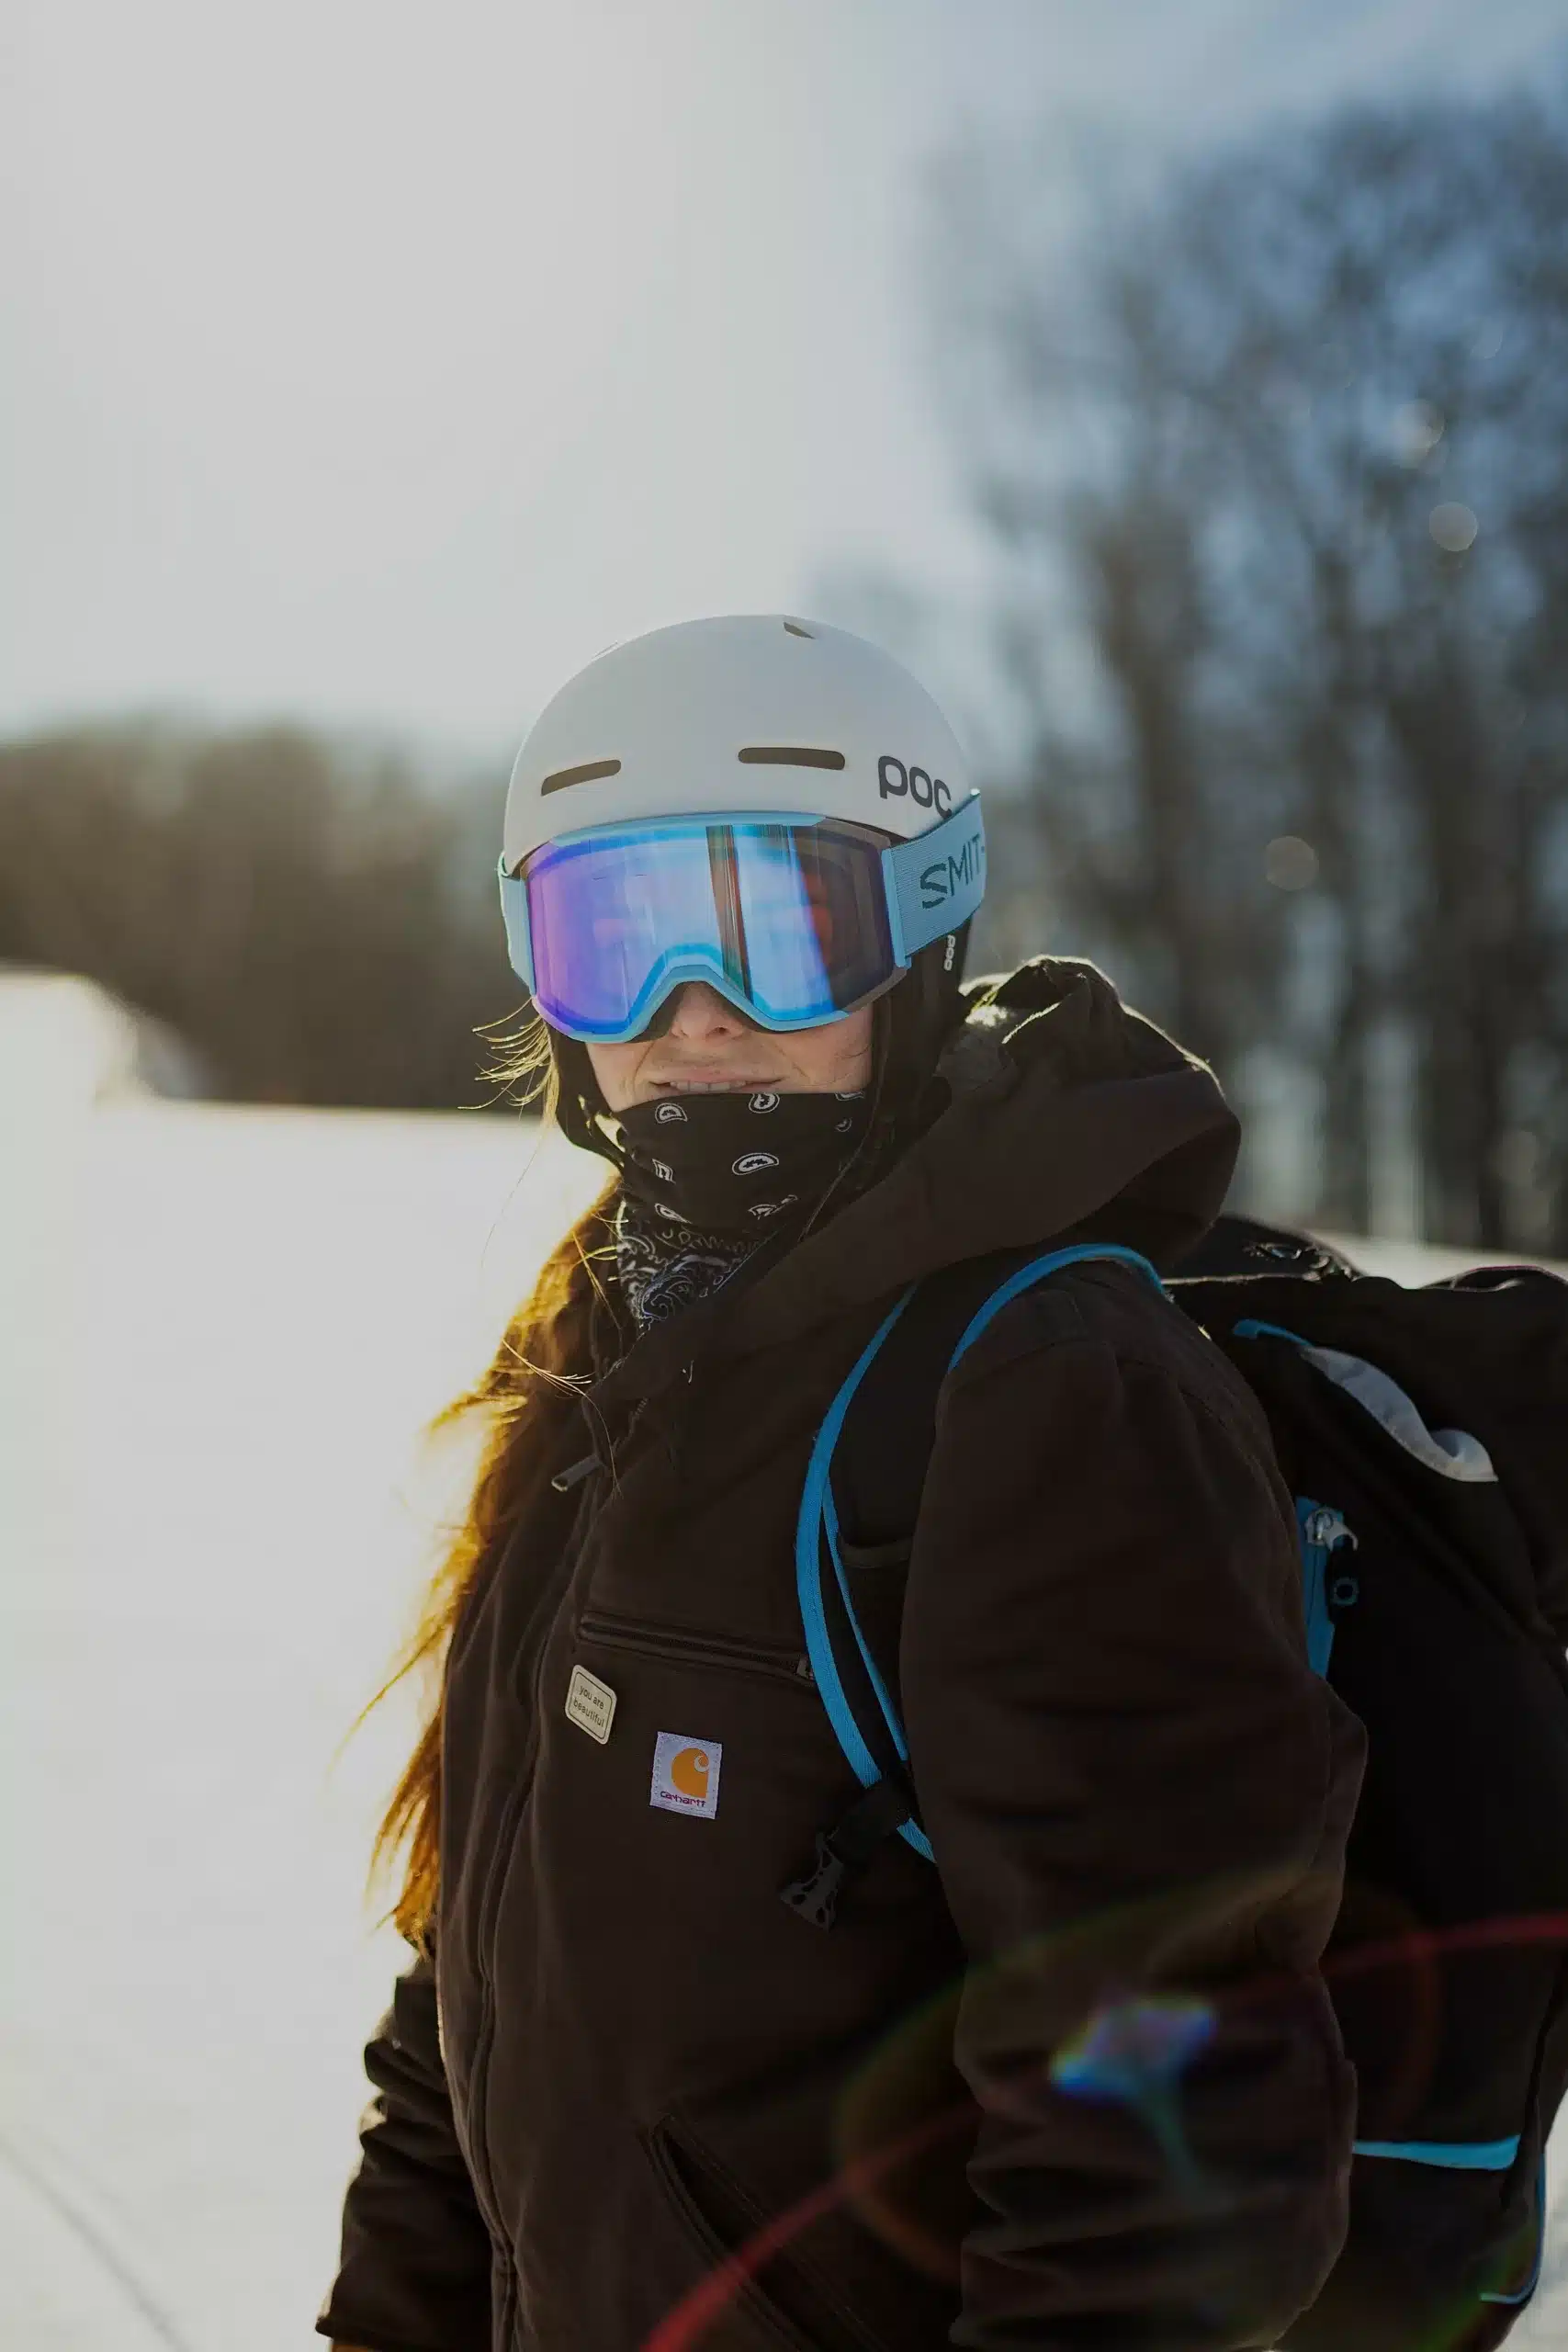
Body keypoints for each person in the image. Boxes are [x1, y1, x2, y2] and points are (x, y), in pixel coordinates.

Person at [319, 615, 1365, 2352]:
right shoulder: (602, 1356)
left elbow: (1172, 2158)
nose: (690, 1020)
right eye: (614, 945)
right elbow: (470, 2000)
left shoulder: (1041, 1389)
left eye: (781, 934)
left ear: (922, 936)